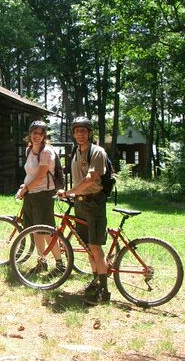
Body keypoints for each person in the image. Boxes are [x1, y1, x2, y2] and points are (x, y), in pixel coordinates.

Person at [58, 116, 110, 305]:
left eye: (83, 131)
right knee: (88, 247)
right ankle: (96, 281)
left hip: (94, 203)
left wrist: (69, 192)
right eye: (77, 131)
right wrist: (70, 194)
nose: (80, 134)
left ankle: (104, 291)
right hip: (80, 203)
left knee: (95, 247)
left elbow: (90, 179)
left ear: (89, 133)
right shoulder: (76, 151)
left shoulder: (97, 152)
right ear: (73, 134)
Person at [15, 120, 64, 276]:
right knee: (35, 231)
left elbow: (41, 175)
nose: (37, 136)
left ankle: (60, 265)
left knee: (47, 231)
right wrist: (25, 187)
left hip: (43, 195)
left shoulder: (46, 152)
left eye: (41, 133)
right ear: (30, 133)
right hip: (31, 194)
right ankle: (41, 262)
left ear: (44, 135)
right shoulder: (29, 150)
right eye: (35, 132)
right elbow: (30, 174)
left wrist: (26, 189)